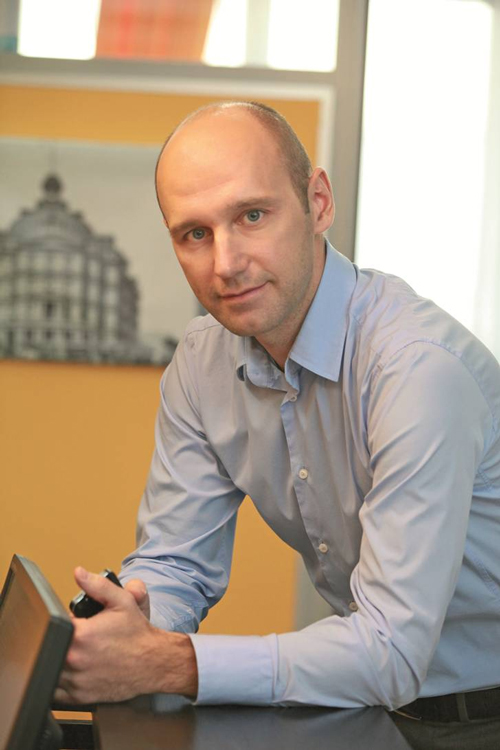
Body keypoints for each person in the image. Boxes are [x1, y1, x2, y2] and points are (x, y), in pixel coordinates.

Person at [56, 101, 500, 742]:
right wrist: (134, 624)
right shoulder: (202, 361)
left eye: (252, 216)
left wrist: (167, 662)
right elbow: (177, 562)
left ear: (318, 203)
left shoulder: (417, 369)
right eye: (195, 234)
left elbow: (389, 650)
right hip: (366, 706)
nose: (226, 263)